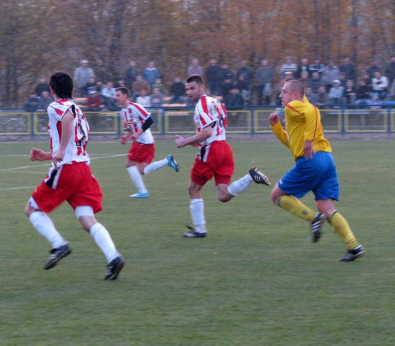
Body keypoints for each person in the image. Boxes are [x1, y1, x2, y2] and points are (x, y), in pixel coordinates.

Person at [25, 71, 124, 280]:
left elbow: (66, 120)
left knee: (32, 209)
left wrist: (59, 151)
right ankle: (113, 257)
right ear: (72, 89)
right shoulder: (80, 110)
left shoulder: (57, 106)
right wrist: (47, 156)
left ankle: (59, 245)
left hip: (68, 170)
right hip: (83, 171)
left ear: (51, 90)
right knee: (87, 220)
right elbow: (73, 142)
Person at [268, 79, 364, 261]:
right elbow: (292, 143)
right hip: (327, 159)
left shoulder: (294, 106)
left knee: (276, 196)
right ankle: (353, 246)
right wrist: (276, 127)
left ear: (295, 94)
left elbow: (314, 110)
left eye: (284, 91)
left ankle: (313, 219)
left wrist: (308, 142)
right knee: (327, 207)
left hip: (311, 161)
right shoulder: (296, 114)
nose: (280, 95)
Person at [174, 75, 271, 238]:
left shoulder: (201, 105)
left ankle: (200, 229)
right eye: (187, 89)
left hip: (212, 151)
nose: (189, 92)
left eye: (192, 88)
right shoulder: (216, 102)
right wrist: (195, 142)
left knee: (193, 189)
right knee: (223, 195)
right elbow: (216, 130)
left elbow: (207, 132)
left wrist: (184, 142)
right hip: (224, 149)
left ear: (201, 88)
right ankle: (250, 177)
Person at [114, 87, 179, 198]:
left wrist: (138, 133)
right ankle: (167, 161)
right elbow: (130, 129)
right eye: (116, 96)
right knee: (142, 170)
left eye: (118, 95)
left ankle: (143, 191)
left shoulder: (135, 107)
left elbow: (149, 120)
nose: (116, 98)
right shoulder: (122, 112)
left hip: (145, 142)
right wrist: (125, 137)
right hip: (138, 142)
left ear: (125, 96)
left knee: (130, 165)